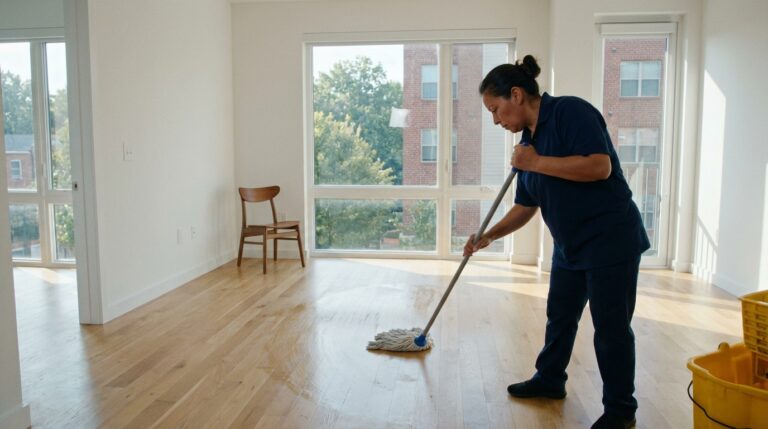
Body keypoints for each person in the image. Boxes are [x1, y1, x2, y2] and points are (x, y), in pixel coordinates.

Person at [464, 55, 649, 429]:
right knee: (560, 318)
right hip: (570, 246)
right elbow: (525, 206)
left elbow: (600, 167)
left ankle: (620, 411)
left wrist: (534, 163)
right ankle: (550, 379)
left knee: (611, 330)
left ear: (516, 95)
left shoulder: (570, 113)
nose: (496, 120)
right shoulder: (527, 144)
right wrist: (488, 236)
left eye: (495, 109)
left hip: (610, 242)